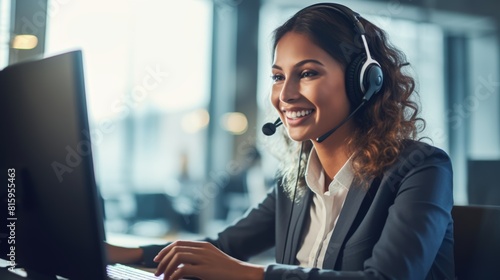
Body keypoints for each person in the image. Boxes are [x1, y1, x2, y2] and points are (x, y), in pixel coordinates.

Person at [107, 3, 454, 279]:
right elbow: (222, 249)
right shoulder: (295, 181)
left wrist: (252, 275)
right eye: (277, 76)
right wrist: (128, 254)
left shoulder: (421, 169)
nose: (285, 95)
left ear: (363, 81)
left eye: (307, 73)